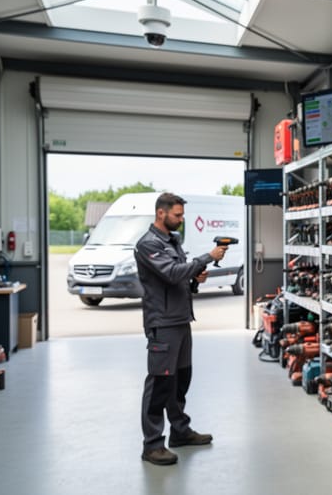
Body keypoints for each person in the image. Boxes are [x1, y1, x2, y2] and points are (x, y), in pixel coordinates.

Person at [135, 192, 228, 466]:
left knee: (180, 380)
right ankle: (152, 445)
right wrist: (206, 258)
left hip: (180, 320)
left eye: (182, 215)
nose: (181, 219)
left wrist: (195, 278)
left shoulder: (172, 241)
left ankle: (179, 431)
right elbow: (172, 273)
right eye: (177, 215)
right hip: (162, 324)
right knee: (160, 383)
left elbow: (180, 278)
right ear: (160, 214)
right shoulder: (148, 244)